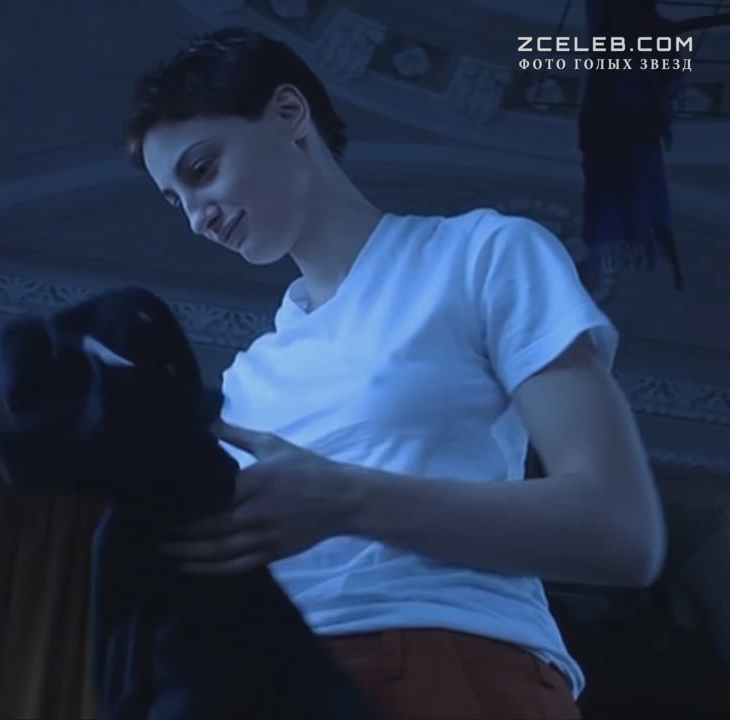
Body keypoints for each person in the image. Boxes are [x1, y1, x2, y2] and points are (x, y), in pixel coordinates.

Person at [124, 26, 667, 719]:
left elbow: (621, 532)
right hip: (267, 684)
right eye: (175, 200)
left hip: (453, 659)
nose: (197, 218)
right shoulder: (245, 380)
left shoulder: (482, 254)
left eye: (201, 170)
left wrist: (348, 499)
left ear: (289, 113)